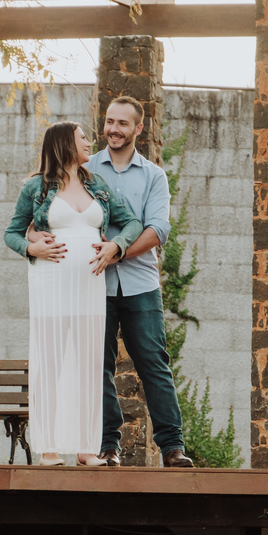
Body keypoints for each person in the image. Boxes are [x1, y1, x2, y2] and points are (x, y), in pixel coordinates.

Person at [29, 96, 194, 468]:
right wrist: (34, 241)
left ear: (138, 128)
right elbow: (44, 216)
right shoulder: (83, 169)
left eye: (122, 123)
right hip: (91, 285)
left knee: (154, 362)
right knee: (95, 366)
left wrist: (117, 251)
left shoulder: (153, 175)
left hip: (141, 284)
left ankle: (172, 447)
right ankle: (106, 446)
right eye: (109, 122)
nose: (113, 130)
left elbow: (158, 229)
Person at [4, 121, 143, 467]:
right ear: (65, 143)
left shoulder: (97, 185)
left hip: (89, 286)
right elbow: (11, 233)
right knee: (51, 360)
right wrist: (30, 248)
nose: (89, 142)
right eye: (82, 138)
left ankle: (86, 448)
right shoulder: (36, 187)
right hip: (50, 283)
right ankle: (49, 449)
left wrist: (116, 245)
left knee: (88, 362)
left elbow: (132, 223)